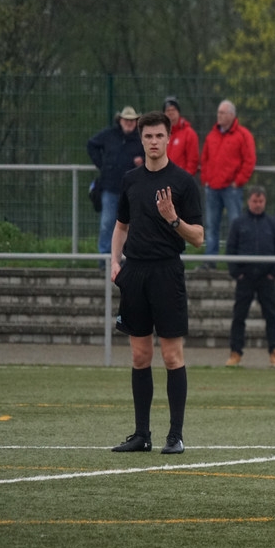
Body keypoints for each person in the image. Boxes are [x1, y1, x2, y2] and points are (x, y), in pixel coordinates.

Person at [110, 110, 204, 455]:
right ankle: (141, 435)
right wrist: (115, 261)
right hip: (135, 273)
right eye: (147, 136)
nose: (153, 141)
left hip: (167, 273)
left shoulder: (183, 182)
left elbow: (199, 238)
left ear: (168, 138)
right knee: (139, 356)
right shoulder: (130, 180)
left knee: (172, 356)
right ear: (141, 138)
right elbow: (121, 226)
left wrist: (173, 219)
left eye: (159, 136)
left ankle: (175, 436)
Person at [225, 185, 275, 369]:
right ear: (249, 201)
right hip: (245, 278)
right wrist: (237, 273)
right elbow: (230, 249)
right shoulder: (238, 223)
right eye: (255, 201)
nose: (258, 204)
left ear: (265, 201)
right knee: (239, 316)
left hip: (266, 278)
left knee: (271, 315)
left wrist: (273, 272)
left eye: (261, 201)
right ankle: (235, 353)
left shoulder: (273, 224)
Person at [200, 99, 256, 269]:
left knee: (235, 225)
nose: (219, 116)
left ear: (232, 115)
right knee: (211, 226)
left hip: (231, 189)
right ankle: (210, 260)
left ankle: (236, 261)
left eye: (223, 113)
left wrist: (238, 182)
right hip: (213, 188)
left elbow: (249, 160)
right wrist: (206, 179)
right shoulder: (212, 135)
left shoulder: (243, 135)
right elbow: (205, 159)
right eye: (218, 112)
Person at [87, 106, 145, 265]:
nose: (129, 123)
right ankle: (105, 260)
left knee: (130, 225)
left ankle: (127, 258)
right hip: (110, 187)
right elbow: (91, 144)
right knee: (107, 223)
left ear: (136, 121)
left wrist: (142, 162)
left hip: (132, 190)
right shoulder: (109, 134)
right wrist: (103, 164)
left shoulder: (141, 139)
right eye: (126, 120)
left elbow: (152, 155)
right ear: (120, 120)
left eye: (132, 120)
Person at [163, 96, 200, 176]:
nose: (170, 113)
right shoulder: (161, 134)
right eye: (168, 110)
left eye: (173, 110)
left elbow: (193, 161)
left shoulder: (189, 133)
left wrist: (185, 178)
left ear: (178, 112)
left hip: (180, 179)